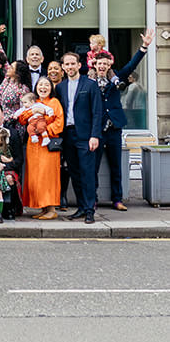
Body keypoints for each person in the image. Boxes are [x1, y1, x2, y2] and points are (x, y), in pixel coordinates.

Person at [91, 30, 154, 209]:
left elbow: (132, 65)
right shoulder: (88, 82)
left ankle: (117, 199)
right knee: (93, 167)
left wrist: (144, 47)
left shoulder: (117, 77)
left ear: (110, 64)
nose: (102, 66)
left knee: (116, 166)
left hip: (114, 128)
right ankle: (92, 199)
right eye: (99, 63)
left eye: (105, 63)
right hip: (96, 130)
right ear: (94, 65)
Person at [55, 51, 101, 224]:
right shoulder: (61, 86)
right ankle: (81, 208)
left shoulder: (90, 85)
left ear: (79, 65)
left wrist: (94, 135)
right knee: (74, 173)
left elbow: (97, 112)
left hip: (86, 136)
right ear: (63, 67)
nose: (69, 67)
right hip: (68, 135)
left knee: (87, 173)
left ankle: (90, 210)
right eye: (66, 64)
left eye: (72, 63)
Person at [17, 75, 64, 220]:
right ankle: (43, 207)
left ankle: (51, 208)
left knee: (48, 177)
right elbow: (22, 118)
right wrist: (34, 112)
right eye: (40, 85)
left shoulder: (55, 102)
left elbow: (59, 123)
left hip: (47, 144)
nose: (43, 88)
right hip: (33, 144)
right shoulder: (33, 102)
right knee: (35, 177)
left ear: (51, 88)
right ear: (36, 87)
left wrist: (44, 129)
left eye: (46, 85)